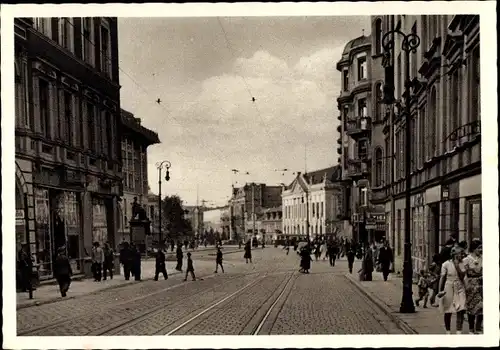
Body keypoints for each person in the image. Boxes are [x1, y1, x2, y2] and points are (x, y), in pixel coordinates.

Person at [437, 246, 467, 334]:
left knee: (461, 308)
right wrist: (440, 290)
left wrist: (457, 266)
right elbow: (442, 277)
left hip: (460, 286)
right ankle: (448, 331)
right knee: (448, 309)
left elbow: (462, 277)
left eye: (462, 253)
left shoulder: (462, 263)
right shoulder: (446, 264)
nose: (462, 255)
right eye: (460, 253)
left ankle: (459, 331)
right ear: (454, 254)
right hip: (449, 286)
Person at [463, 239, 483, 334]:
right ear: (474, 249)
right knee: (471, 307)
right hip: (471, 286)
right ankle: (471, 328)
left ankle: (478, 327)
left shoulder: (482, 258)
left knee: (482, 307)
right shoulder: (467, 259)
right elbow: (468, 273)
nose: (481, 250)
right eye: (479, 248)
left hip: (481, 285)